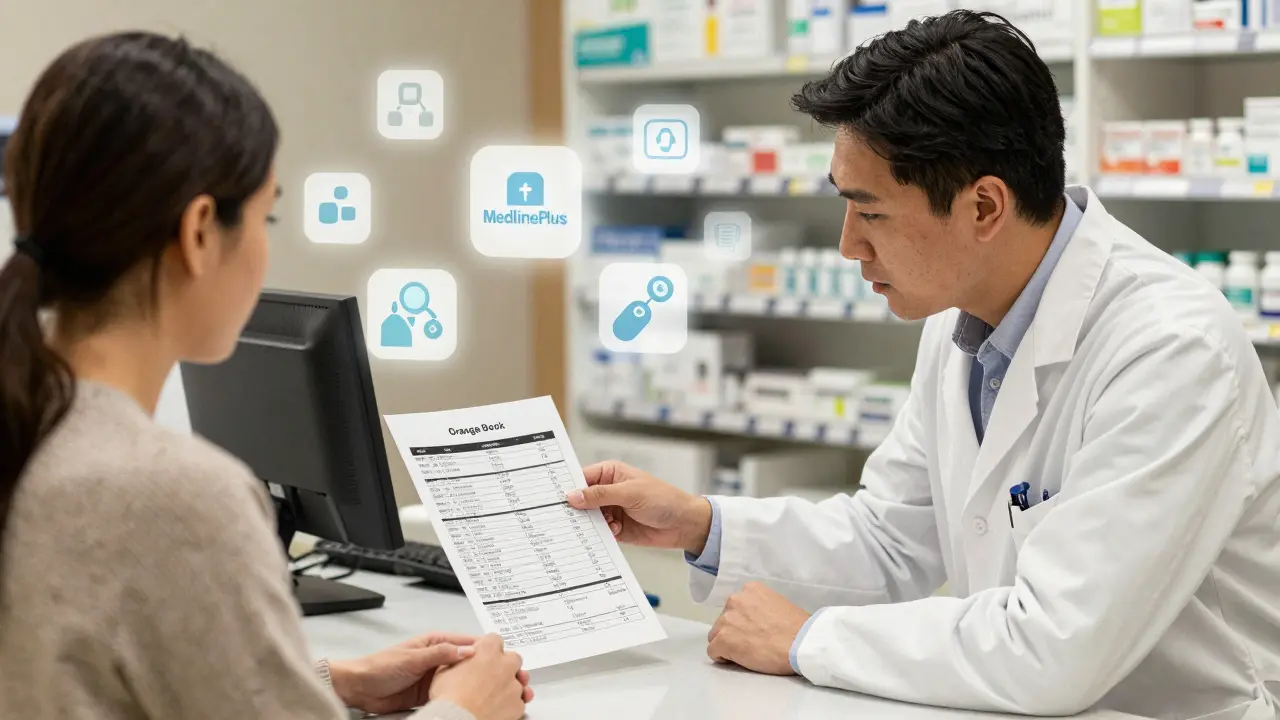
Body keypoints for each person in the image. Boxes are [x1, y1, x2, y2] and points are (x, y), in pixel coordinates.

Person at [568, 11, 1280, 720]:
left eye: (869, 214)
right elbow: (891, 539)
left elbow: (1055, 647)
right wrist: (698, 523)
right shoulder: (962, 317)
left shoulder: (1171, 350)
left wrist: (806, 640)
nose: (848, 246)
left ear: (984, 207)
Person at [0, 32, 531, 720]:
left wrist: (320, 681)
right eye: (266, 215)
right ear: (198, 233)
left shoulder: (32, 430)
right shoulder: (174, 496)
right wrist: (465, 711)